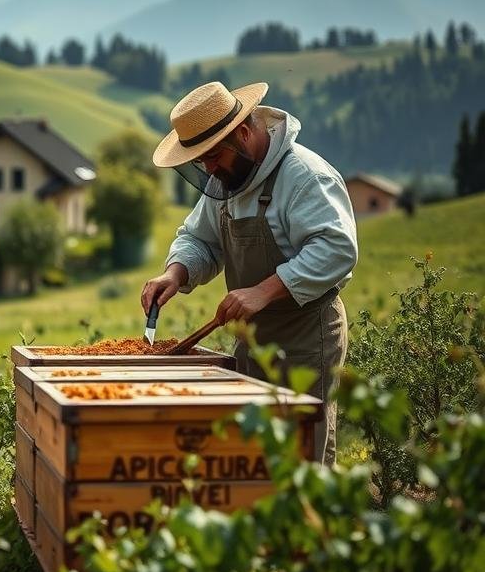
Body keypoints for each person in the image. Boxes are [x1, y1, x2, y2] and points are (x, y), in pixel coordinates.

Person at [141, 82, 357, 464]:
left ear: (242, 133)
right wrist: (175, 273)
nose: (209, 169)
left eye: (213, 156)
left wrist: (264, 290)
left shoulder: (305, 177)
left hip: (305, 341)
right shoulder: (227, 179)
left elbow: (336, 249)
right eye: (200, 161)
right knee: (252, 461)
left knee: (302, 462)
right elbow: (199, 239)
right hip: (252, 341)